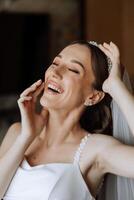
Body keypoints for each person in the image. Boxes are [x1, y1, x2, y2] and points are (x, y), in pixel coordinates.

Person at [0, 40, 134, 200]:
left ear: (93, 96)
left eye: (73, 69)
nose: (55, 72)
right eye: (55, 62)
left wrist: (116, 88)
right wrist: (25, 138)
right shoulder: (17, 133)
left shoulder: (95, 150)